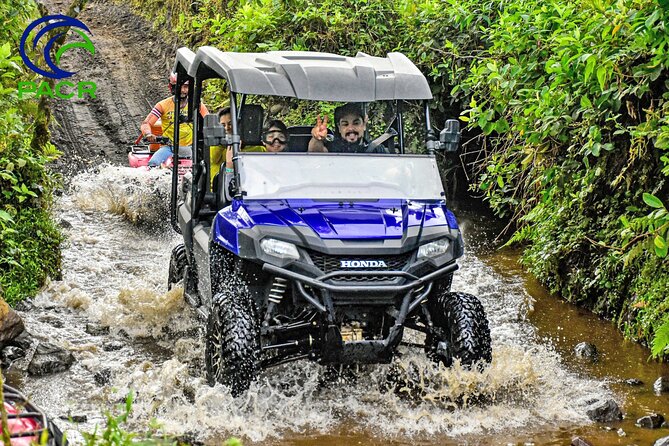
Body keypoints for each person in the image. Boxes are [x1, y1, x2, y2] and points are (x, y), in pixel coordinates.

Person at [141, 72, 208, 166]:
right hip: (169, 147)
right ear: (171, 87)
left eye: (186, 86)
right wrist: (148, 134)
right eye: (179, 86)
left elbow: (209, 121)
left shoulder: (197, 105)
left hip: (190, 147)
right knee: (153, 163)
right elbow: (146, 123)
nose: (182, 90)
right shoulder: (162, 105)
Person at [308, 102, 387, 154]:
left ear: (364, 125)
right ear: (339, 128)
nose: (350, 128)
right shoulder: (332, 148)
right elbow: (315, 155)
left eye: (356, 123)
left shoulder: (377, 150)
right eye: (345, 124)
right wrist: (317, 138)